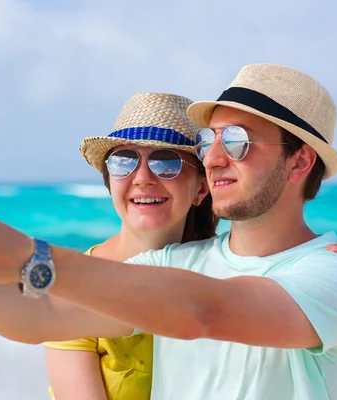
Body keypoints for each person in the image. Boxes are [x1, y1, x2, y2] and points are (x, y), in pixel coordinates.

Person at [0, 63, 337, 399]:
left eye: (239, 142)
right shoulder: (173, 264)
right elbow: (38, 318)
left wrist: (31, 256)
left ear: (300, 160)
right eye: (208, 140)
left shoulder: (335, 273)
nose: (215, 157)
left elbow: (205, 311)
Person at [43, 92, 218, 400]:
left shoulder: (227, 271)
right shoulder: (75, 284)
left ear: (201, 188)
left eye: (166, 163)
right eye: (124, 162)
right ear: (110, 181)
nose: (142, 178)